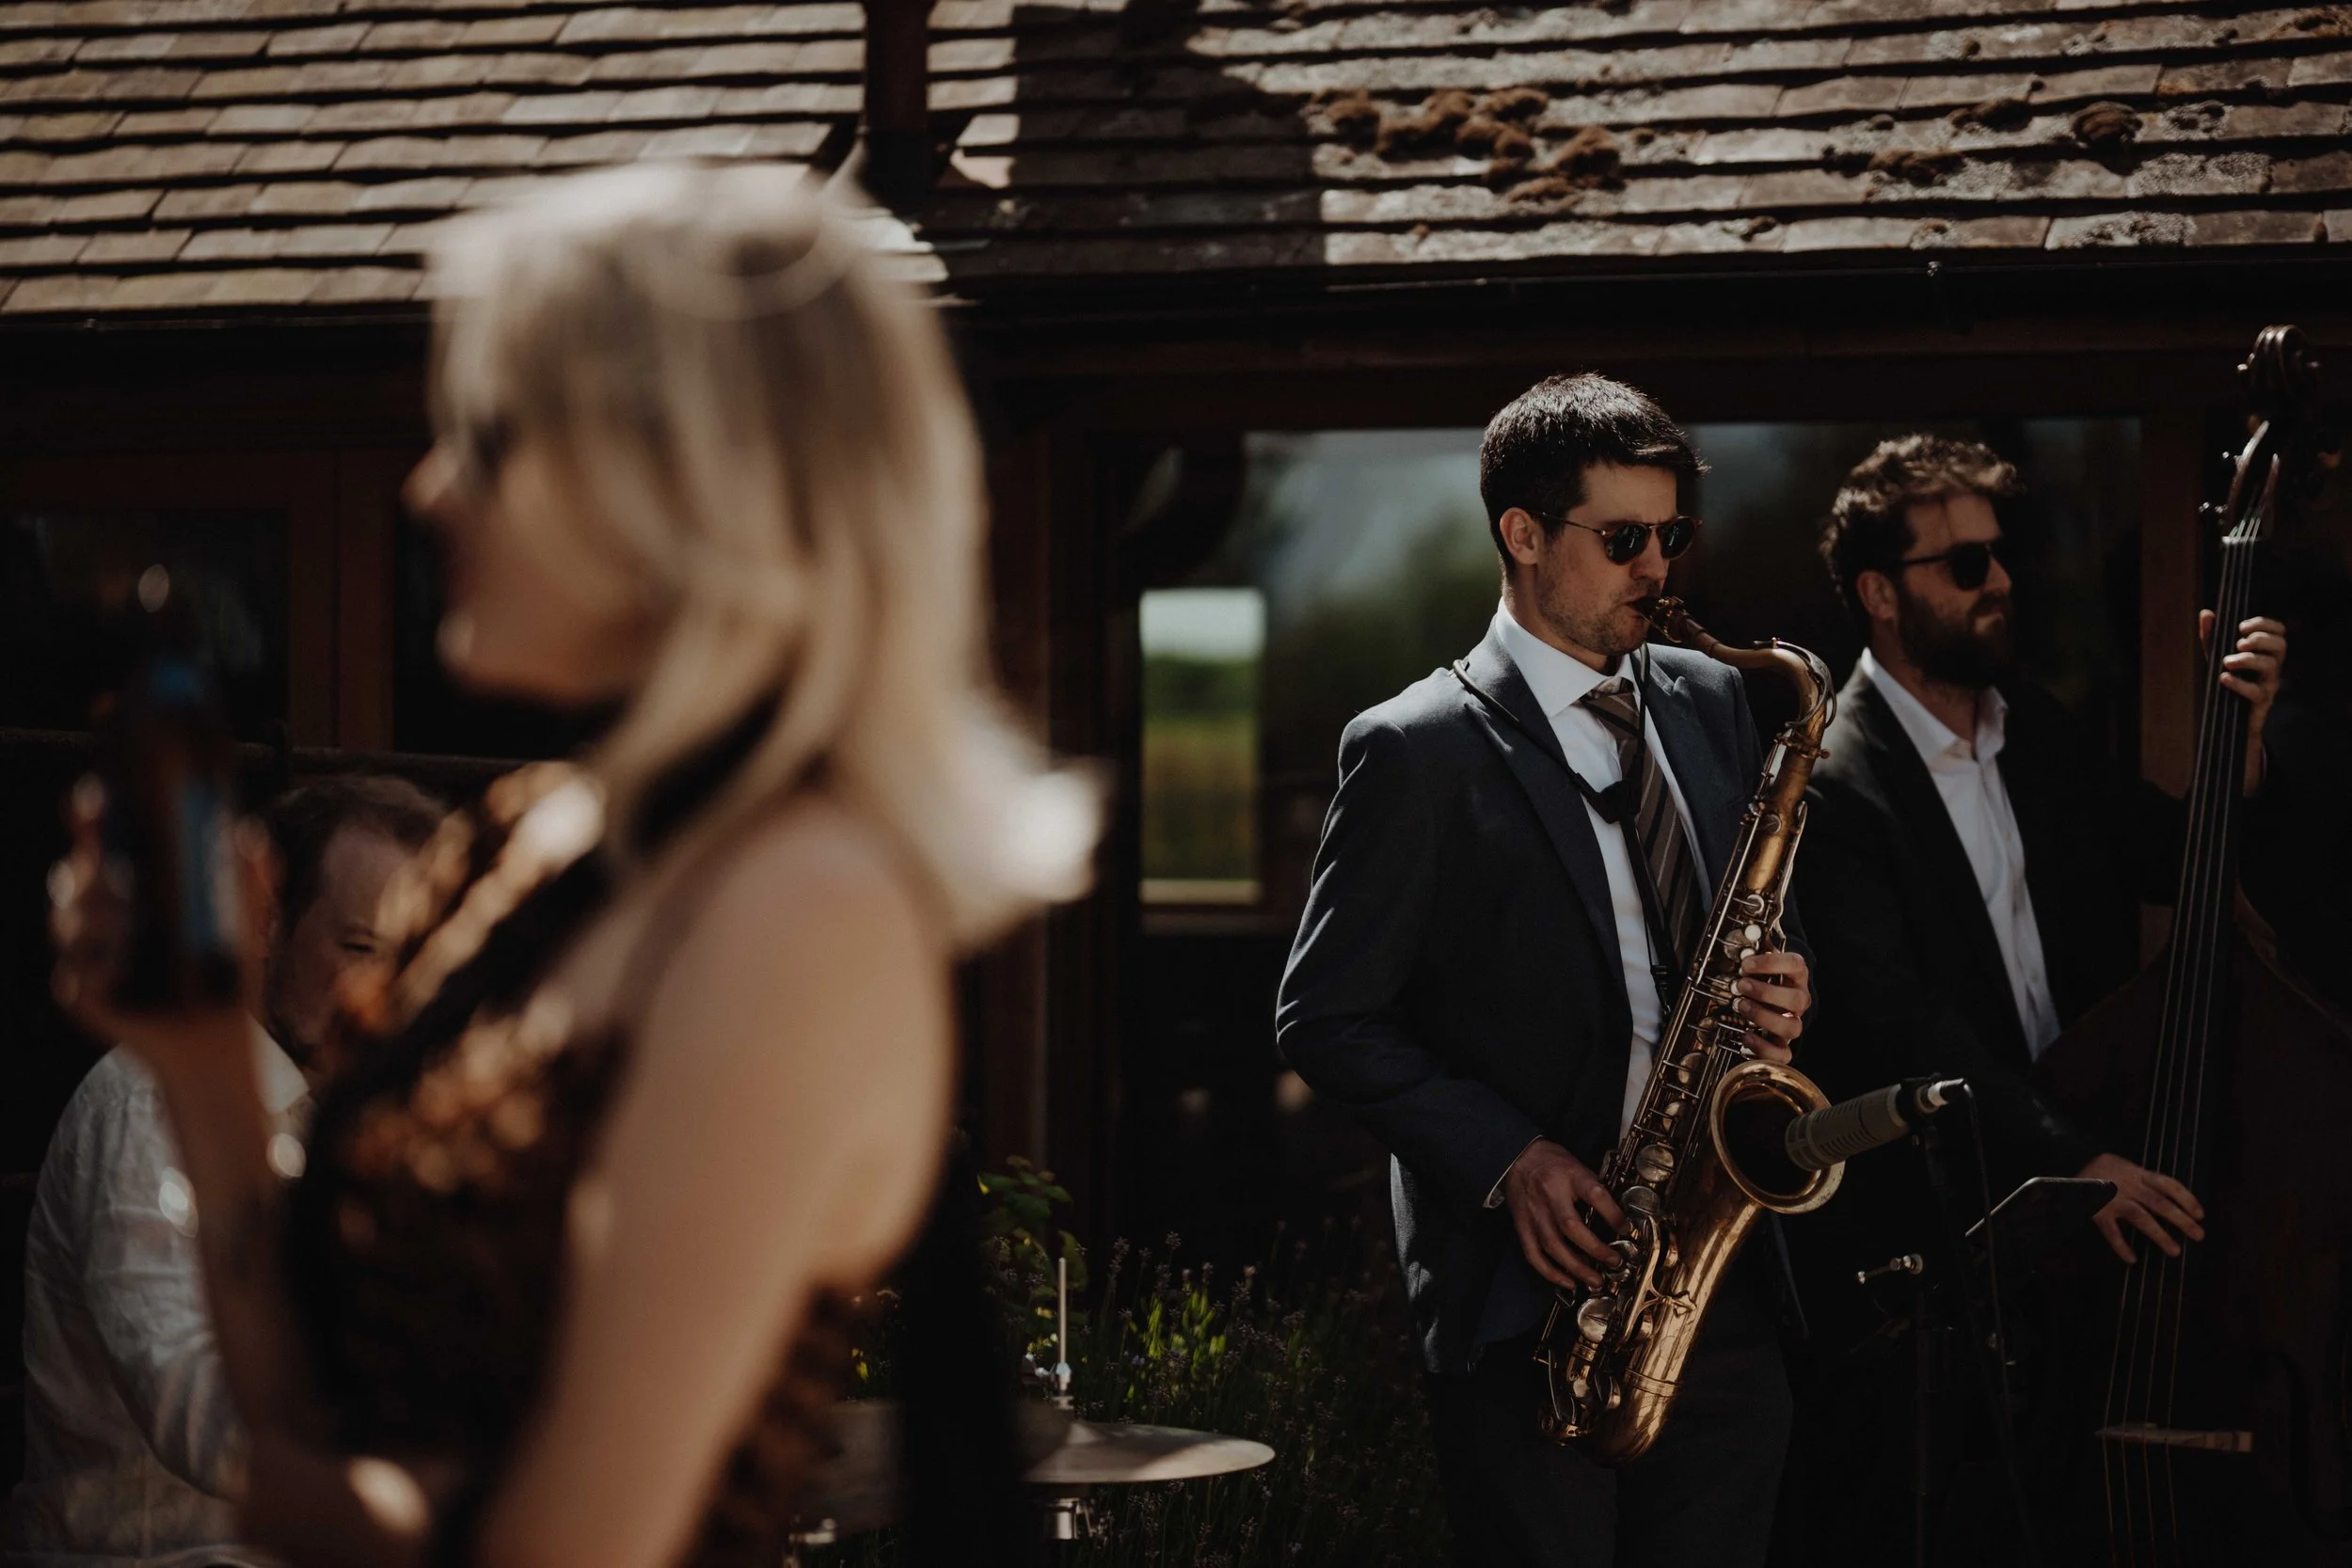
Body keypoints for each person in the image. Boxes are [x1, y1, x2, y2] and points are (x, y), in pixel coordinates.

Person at [47, 162, 1096, 1568]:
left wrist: (306, 1503)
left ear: (674, 477)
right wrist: (196, 1052)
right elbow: (304, 1402)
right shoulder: (520, 846)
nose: (428, 489)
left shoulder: (800, 912)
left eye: (486, 437)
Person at [1277, 373, 1813, 1568]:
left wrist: (1783, 979)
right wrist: (1510, 1158)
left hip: (1711, 1276)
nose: (1656, 570)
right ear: (1521, 534)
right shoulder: (1414, 746)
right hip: (1537, 1301)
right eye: (1621, 539)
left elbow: (1749, 910)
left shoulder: (1713, 696)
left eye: (1671, 536)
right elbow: (1324, 1017)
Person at [1774, 434, 2285, 1561]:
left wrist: (2237, 741)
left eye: (2000, 555)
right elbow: (1903, 1018)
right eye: (1962, 565)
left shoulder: (2034, 730)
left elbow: (2171, 860)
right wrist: (2069, 1158)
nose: (1998, 581)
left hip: (2081, 1222)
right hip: (1944, 1247)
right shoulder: (1835, 780)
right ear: (1879, 593)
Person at [8, 774, 443, 1568]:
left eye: (413, 955)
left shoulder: (376, 1112)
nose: (389, 989)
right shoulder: (147, 1096)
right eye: (358, 947)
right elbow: (188, 1404)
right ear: (268, 926)